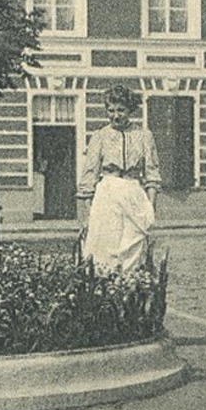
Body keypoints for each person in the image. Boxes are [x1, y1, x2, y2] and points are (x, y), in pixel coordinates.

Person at [78, 84, 162, 273]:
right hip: (107, 195)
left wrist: (150, 208)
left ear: (130, 110)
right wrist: (87, 215)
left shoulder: (144, 136)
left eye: (121, 110)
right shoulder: (100, 137)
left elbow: (152, 175)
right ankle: (105, 292)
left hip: (134, 196)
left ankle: (130, 291)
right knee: (105, 248)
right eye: (111, 110)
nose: (115, 115)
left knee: (133, 247)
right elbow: (89, 177)